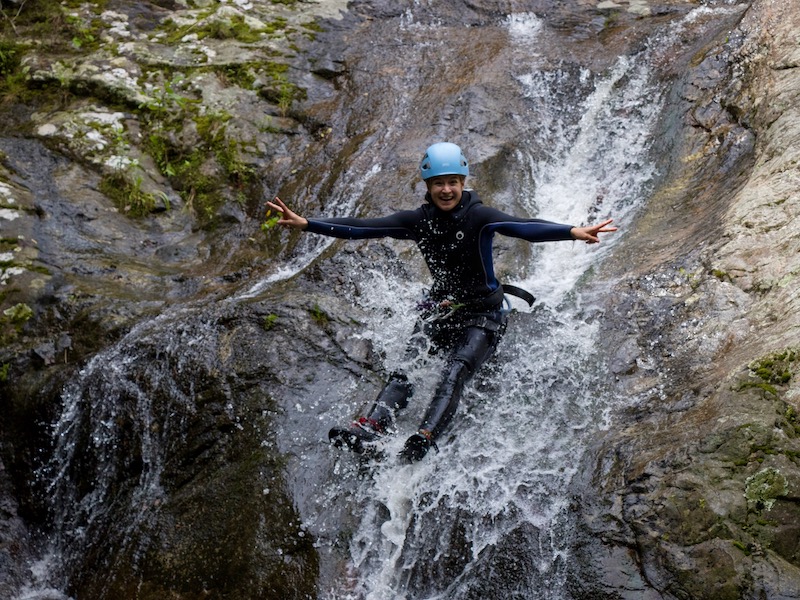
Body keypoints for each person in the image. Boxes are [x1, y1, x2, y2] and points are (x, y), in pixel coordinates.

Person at [267, 142, 616, 462]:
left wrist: (571, 231)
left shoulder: (479, 217)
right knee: (404, 370)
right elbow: (360, 228)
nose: (446, 190)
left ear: (462, 182)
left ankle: (424, 435)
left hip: (484, 313)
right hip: (443, 309)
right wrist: (308, 224)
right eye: (438, 183)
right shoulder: (418, 221)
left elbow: (522, 226)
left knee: (455, 371)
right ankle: (371, 426)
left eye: (452, 182)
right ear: (428, 186)